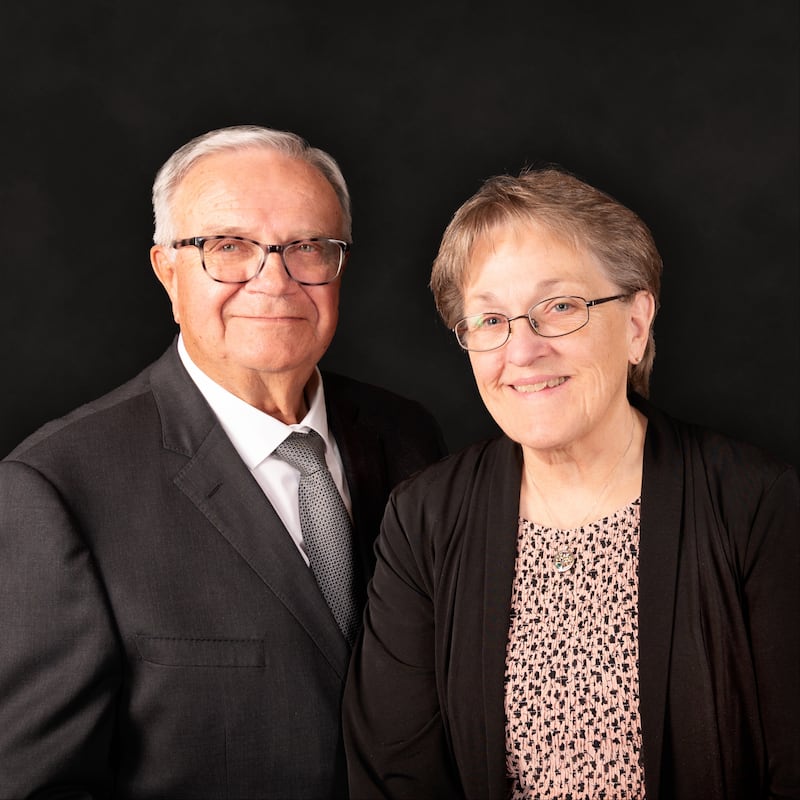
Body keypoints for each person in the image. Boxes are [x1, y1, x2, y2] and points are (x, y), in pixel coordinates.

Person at [0, 125, 445, 798]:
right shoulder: (59, 488)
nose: (275, 280)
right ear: (166, 270)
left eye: (307, 247)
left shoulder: (409, 437)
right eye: (228, 247)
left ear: (339, 265)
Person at [342, 167, 800, 800]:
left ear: (637, 323)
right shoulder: (423, 519)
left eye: (560, 307)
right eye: (491, 319)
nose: (522, 350)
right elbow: (395, 776)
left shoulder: (757, 505)